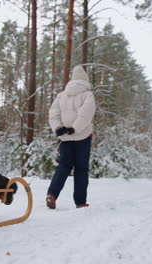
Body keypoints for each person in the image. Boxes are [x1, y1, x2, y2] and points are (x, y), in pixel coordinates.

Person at [46, 65, 96, 209]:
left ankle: (52, 194)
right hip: (83, 137)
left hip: (65, 139)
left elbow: (53, 114)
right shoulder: (88, 95)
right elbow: (86, 114)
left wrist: (58, 128)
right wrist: (74, 128)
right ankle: (80, 202)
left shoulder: (61, 95)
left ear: (72, 79)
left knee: (63, 166)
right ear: (85, 79)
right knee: (81, 169)